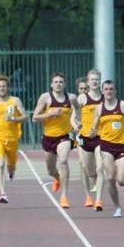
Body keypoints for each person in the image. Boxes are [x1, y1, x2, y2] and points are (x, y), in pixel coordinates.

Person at [89, 80, 124, 217]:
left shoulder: (123, 105)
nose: (109, 92)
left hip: (122, 146)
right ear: (102, 91)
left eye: (111, 89)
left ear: (115, 91)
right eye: (106, 89)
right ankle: (117, 207)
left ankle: (118, 172)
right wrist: (92, 132)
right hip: (106, 146)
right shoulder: (99, 108)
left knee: (122, 181)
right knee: (110, 178)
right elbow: (95, 126)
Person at [32, 72, 80, 208]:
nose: (58, 84)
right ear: (51, 84)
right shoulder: (45, 98)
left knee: (63, 161)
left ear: (65, 84)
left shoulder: (71, 98)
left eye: (61, 82)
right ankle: (57, 178)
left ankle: (64, 196)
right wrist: (50, 113)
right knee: (51, 170)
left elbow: (77, 108)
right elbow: (35, 117)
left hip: (64, 137)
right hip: (48, 138)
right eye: (56, 82)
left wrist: (77, 121)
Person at [0, 74, 28, 204]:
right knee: (0, 164)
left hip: (13, 138)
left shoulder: (15, 101)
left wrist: (13, 118)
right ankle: (3, 194)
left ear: (8, 88)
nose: (1, 88)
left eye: (4, 86)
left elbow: (25, 117)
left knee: (11, 166)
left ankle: (12, 173)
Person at [74, 69, 105, 211]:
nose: (94, 82)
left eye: (97, 79)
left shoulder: (105, 98)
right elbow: (73, 117)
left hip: (100, 137)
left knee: (100, 168)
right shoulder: (82, 99)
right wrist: (76, 125)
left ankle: (98, 200)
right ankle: (88, 196)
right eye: (92, 79)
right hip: (85, 137)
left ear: (100, 81)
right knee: (87, 169)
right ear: (88, 81)